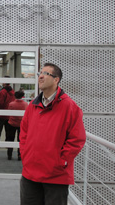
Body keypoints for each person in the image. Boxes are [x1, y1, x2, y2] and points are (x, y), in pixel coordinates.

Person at [20, 63, 86, 205]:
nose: (41, 76)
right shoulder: (32, 105)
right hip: (30, 173)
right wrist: (25, 155)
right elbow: (24, 133)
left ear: (56, 79)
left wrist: (61, 162)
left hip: (56, 175)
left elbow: (77, 139)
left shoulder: (70, 107)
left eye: (46, 73)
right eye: (40, 73)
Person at [6, 90, 28, 160]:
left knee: (10, 139)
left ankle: (9, 154)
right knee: (20, 140)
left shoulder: (11, 104)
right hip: (21, 124)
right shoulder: (25, 104)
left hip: (12, 123)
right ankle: (20, 154)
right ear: (22, 96)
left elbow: (8, 112)